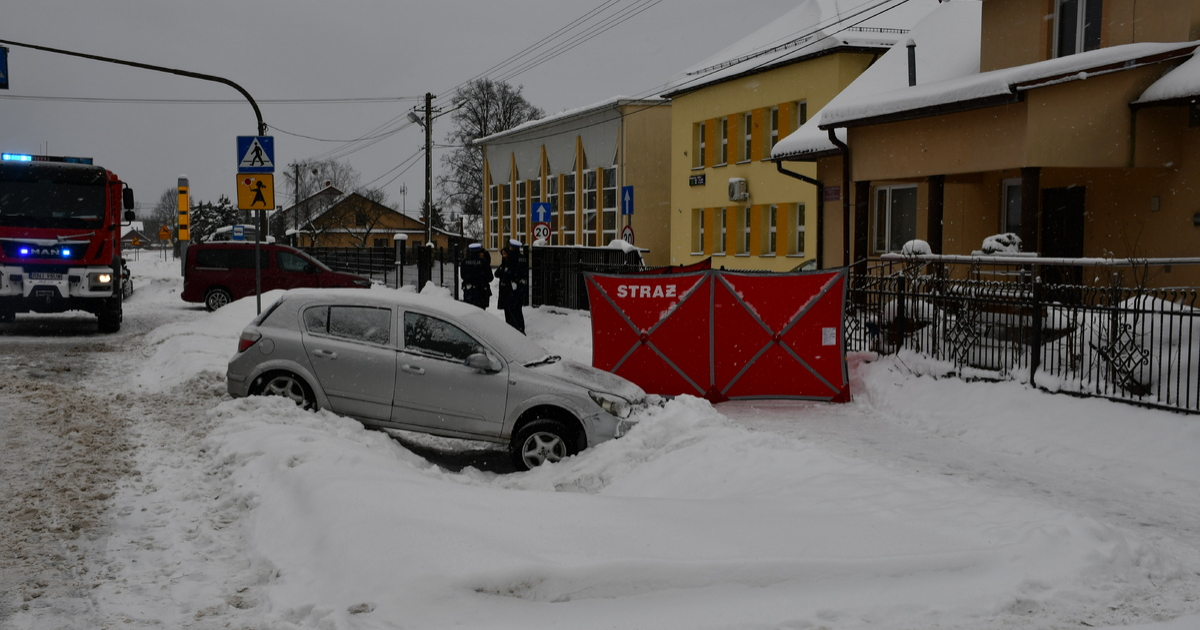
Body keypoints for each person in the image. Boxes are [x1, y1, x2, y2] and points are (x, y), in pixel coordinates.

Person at [495, 239, 527, 334]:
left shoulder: (513, 258)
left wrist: (505, 281)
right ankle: (521, 329)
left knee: (512, 311)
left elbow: (508, 273)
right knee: (518, 310)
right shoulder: (523, 258)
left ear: (512, 248)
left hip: (512, 289)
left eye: (510, 247)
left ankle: (516, 331)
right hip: (520, 288)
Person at [459, 243, 493, 309]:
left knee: (469, 311)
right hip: (481, 292)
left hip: (468, 291)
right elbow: (490, 277)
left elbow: (462, 276)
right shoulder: (484, 262)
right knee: (480, 312)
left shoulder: (464, 262)